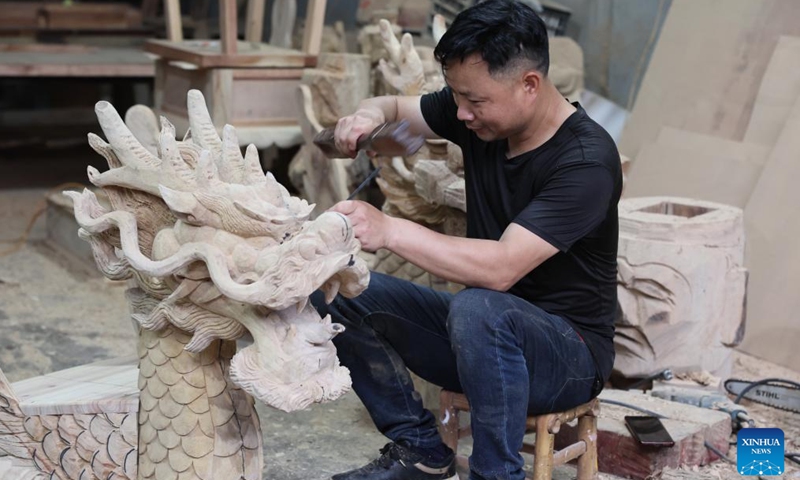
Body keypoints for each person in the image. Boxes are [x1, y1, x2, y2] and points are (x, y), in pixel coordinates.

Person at [311, 1, 622, 479]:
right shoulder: (479, 115)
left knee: (480, 305)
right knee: (339, 285)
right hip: (479, 339)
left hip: (568, 356)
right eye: (457, 97)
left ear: (529, 85)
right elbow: (396, 113)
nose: (461, 113)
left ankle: (495, 474)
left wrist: (389, 228)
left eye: (474, 102)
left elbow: (502, 267)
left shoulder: (586, 161)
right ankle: (421, 451)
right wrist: (364, 118)